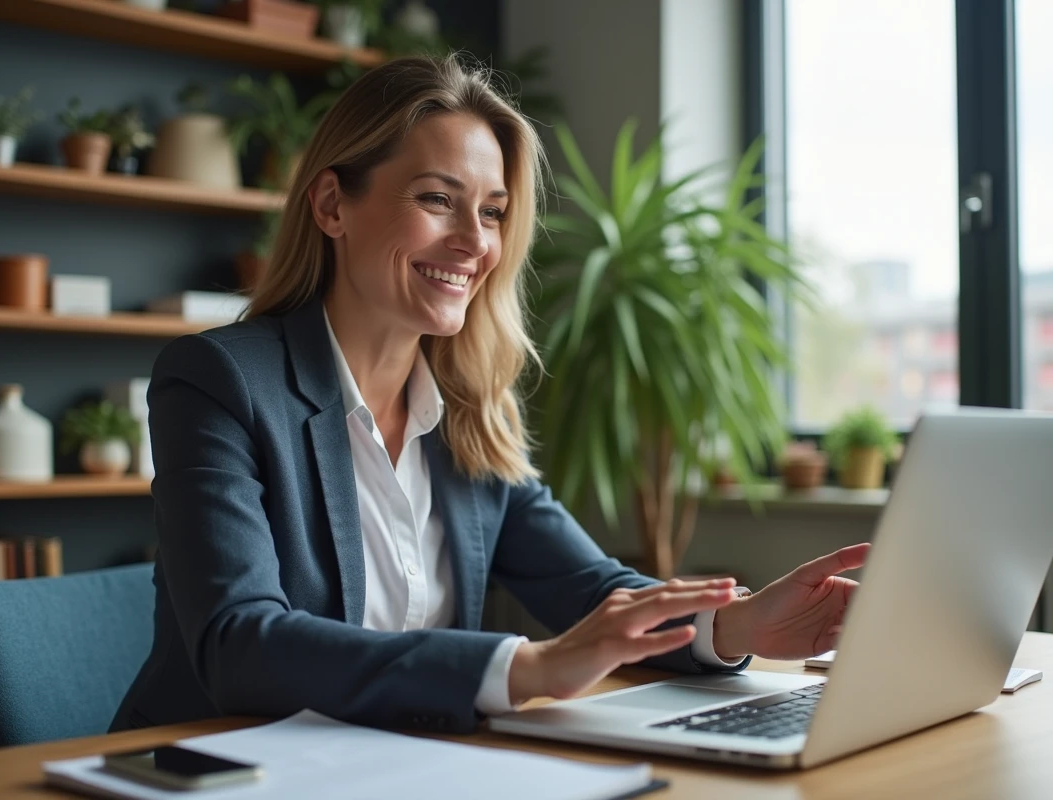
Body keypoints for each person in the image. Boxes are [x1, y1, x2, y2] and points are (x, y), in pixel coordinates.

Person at [111, 56, 869, 735]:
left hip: (399, 766)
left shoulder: (470, 408)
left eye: (494, 211)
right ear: (332, 206)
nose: (475, 242)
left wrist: (737, 626)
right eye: (438, 199)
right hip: (222, 768)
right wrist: (525, 668)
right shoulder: (219, 381)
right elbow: (240, 642)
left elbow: (590, 588)